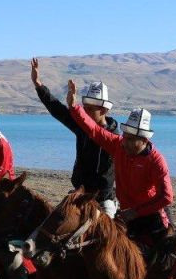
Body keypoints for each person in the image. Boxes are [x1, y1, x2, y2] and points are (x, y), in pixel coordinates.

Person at [63, 79, 176, 279]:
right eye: (126, 136)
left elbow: (167, 197)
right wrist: (74, 107)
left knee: (169, 258)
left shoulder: (156, 160)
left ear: (145, 139)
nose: (128, 142)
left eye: (134, 138)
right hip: (129, 214)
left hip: (155, 215)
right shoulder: (118, 146)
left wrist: (137, 211)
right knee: (115, 256)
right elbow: (93, 130)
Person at [31, 58, 119, 217]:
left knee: (109, 234)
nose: (85, 112)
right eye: (85, 108)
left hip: (103, 199)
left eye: (91, 109)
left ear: (104, 111)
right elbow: (57, 109)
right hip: (79, 194)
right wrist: (38, 84)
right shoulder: (82, 127)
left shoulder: (115, 138)